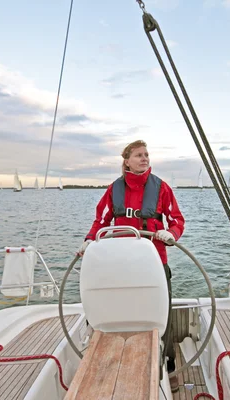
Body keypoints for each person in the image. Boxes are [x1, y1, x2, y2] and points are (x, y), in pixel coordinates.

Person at [77, 139, 185, 392]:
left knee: (162, 312)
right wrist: (88, 241)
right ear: (127, 160)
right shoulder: (114, 189)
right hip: (120, 261)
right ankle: (114, 356)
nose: (144, 158)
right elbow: (101, 220)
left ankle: (167, 364)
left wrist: (172, 234)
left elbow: (177, 219)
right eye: (138, 155)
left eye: (146, 154)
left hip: (155, 259)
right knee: (119, 306)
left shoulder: (162, 188)